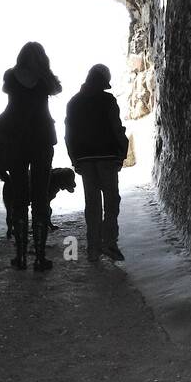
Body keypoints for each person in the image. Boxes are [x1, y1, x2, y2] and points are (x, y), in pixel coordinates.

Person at [0, 42, 62, 271]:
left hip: (16, 141)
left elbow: (7, 92)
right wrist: (43, 70)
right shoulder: (45, 79)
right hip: (41, 141)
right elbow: (57, 88)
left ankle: (20, 256)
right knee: (40, 197)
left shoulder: (11, 77)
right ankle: (40, 258)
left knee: (20, 197)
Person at [64, 63, 128, 261]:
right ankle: (109, 243)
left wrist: (74, 159)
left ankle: (93, 248)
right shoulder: (108, 100)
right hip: (107, 157)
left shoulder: (73, 102)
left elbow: (69, 135)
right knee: (111, 201)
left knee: (92, 204)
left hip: (85, 159)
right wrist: (122, 152)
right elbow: (116, 128)